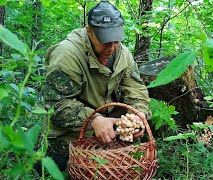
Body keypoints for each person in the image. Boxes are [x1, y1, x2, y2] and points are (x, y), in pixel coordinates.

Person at [43, 0, 151, 172]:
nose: (112, 47)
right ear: (89, 32)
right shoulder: (67, 55)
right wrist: (94, 120)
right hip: (72, 132)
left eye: (116, 40)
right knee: (63, 168)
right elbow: (55, 105)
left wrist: (138, 115)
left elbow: (136, 90)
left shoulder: (122, 54)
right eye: (105, 41)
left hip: (111, 129)